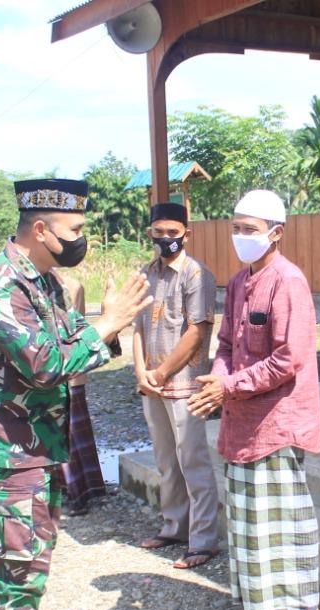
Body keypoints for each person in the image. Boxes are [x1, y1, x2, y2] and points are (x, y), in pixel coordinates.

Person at [0, 178, 152, 610]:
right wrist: (107, 325)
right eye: (76, 229)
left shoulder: (45, 282)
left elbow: (71, 346)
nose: (81, 238)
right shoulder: (0, 285)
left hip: (37, 442)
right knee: (18, 560)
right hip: (6, 447)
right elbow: (44, 364)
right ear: (40, 229)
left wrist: (110, 330)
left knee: (34, 550)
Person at [186, 189, 320, 610]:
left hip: (278, 420)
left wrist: (228, 386)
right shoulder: (239, 281)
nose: (240, 237)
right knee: (248, 517)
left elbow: (290, 359)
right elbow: (225, 345)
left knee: (285, 518)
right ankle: (262, 602)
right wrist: (216, 379)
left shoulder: (289, 282)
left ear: (276, 233)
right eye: (236, 228)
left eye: (250, 229)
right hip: (242, 418)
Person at [134, 202, 221, 569]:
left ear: (187, 233)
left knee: (193, 461)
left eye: (173, 233)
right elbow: (136, 327)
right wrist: (141, 372)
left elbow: (197, 331)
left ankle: (203, 540)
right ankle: (174, 527)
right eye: (159, 232)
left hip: (185, 384)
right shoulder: (146, 273)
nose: (166, 239)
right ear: (150, 232)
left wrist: (164, 371)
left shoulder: (196, 274)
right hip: (152, 384)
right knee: (166, 461)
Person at [56, 273, 107, 517]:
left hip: (61, 371)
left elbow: (71, 329)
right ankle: (86, 488)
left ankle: (72, 494)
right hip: (73, 370)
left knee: (65, 435)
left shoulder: (66, 286)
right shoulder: (74, 283)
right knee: (75, 435)